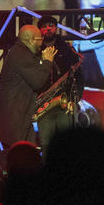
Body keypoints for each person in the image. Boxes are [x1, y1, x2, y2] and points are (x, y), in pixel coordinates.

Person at [0, 24, 55, 154]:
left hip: (17, 116)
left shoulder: (22, 53)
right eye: (39, 39)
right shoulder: (20, 55)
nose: (42, 42)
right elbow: (37, 82)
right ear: (31, 40)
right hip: (11, 118)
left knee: (25, 156)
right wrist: (47, 62)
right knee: (14, 158)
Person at [35, 16, 82, 152]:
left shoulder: (66, 49)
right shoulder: (35, 50)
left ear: (56, 28)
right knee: (46, 146)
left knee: (66, 145)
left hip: (64, 104)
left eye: (51, 25)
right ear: (39, 30)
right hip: (43, 107)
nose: (48, 28)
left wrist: (75, 99)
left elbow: (78, 76)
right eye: (44, 26)